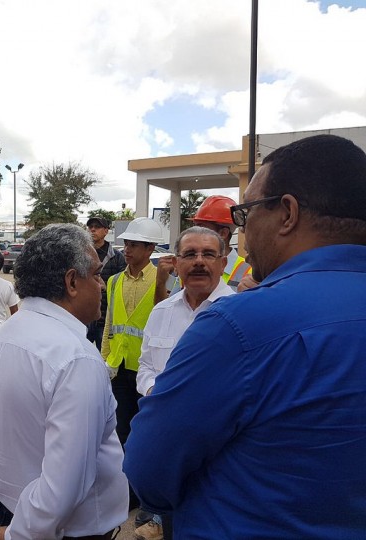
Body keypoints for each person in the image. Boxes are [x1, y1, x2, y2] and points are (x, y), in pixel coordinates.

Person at [124, 134, 366, 539]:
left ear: (287, 213)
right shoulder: (180, 313)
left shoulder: (238, 325)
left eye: (246, 215)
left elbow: (148, 468)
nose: (243, 236)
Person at [0, 223, 129, 540]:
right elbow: (64, 485)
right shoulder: (77, 359)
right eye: (97, 274)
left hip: (11, 513)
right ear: (72, 282)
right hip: (63, 531)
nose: (102, 285)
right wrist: (12, 534)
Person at [132, 226, 234, 540]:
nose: (199, 262)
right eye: (190, 255)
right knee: (174, 523)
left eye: (208, 254)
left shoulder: (240, 312)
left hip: (222, 452)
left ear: (223, 262)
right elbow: (145, 367)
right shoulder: (161, 313)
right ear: (176, 264)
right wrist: (155, 392)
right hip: (169, 444)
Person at [100, 217, 163, 446]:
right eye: (126, 244)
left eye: (134, 245)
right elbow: (110, 322)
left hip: (147, 368)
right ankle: (123, 479)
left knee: (146, 429)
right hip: (119, 366)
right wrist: (105, 358)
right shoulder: (114, 281)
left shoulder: (163, 281)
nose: (127, 249)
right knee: (120, 428)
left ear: (150, 249)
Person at [86, 216, 126, 351]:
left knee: (102, 358)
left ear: (106, 231)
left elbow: (123, 287)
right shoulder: (81, 255)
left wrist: (106, 287)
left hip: (104, 319)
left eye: (97, 227)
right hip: (83, 317)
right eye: (90, 227)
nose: (92, 230)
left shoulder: (117, 258)